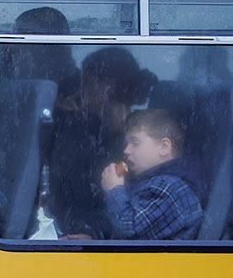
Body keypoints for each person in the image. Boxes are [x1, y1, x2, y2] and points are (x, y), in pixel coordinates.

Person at [51, 47, 158, 239]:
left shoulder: (135, 146)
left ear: (107, 87)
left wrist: (93, 233)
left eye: (86, 84)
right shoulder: (88, 129)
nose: (79, 92)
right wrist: (61, 119)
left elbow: (128, 206)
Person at [101, 109, 204, 240]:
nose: (126, 150)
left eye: (135, 142)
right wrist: (92, 237)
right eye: (127, 144)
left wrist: (114, 190)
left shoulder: (169, 188)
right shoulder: (151, 183)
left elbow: (130, 233)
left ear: (164, 147)